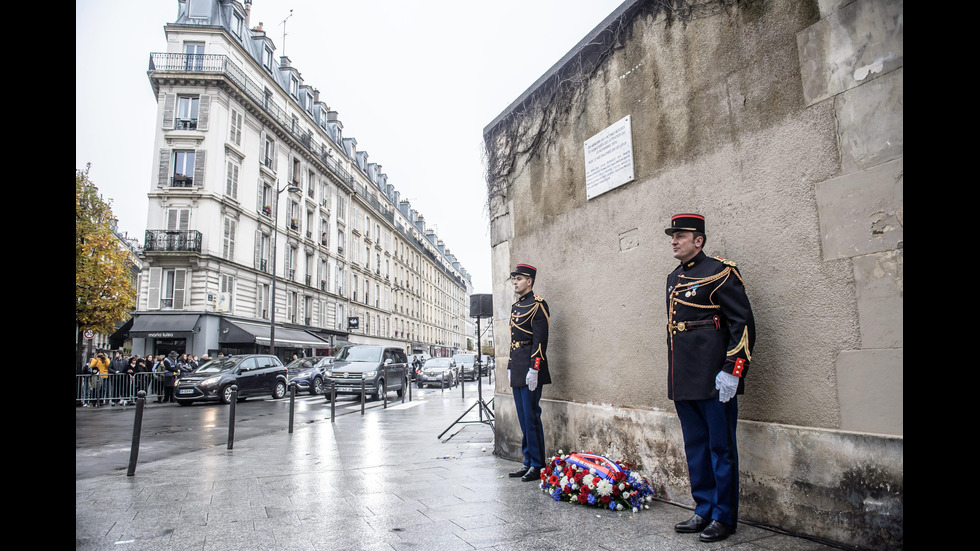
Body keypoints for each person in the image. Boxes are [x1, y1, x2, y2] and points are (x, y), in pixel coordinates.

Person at [664, 214, 756, 543]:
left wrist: (733, 369)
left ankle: (724, 517)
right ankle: (703, 508)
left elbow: (741, 324)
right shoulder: (674, 277)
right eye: (672, 236)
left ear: (698, 240)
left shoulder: (720, 272)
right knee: (696, 448)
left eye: (680, 236)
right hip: (684, 378)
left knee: (721, 448)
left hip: (716, 379)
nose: (674, 241)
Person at [506, 263, 551, 482]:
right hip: (517, 366)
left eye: (519, 278)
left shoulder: (538, 305)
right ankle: (527, 461)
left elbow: (540, 341)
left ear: (529, 281)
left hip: (531, 368)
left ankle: (537, 464)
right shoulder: (516, 307)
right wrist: (509, 365)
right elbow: (513, 340)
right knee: (523, 418)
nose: (515, 282)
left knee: (532, 416)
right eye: (514, 278)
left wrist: (535, 368)